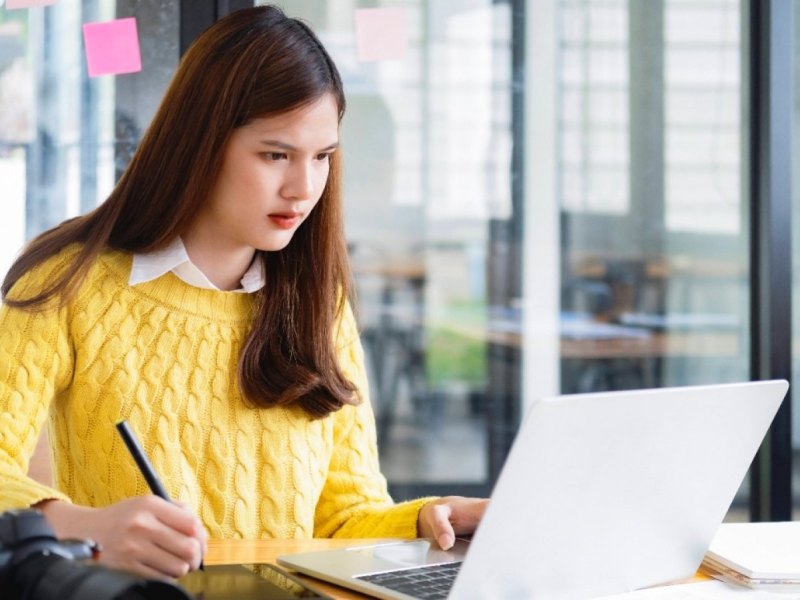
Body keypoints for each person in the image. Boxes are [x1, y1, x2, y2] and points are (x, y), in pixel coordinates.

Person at [0, 5, 487, 581]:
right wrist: (82, 523)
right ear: (201, 142)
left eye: (322, 158)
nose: (303, 188)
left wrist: (426, 520)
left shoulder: (317, 305)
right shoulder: (72, 285)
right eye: (275, 154)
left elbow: (341, 520)